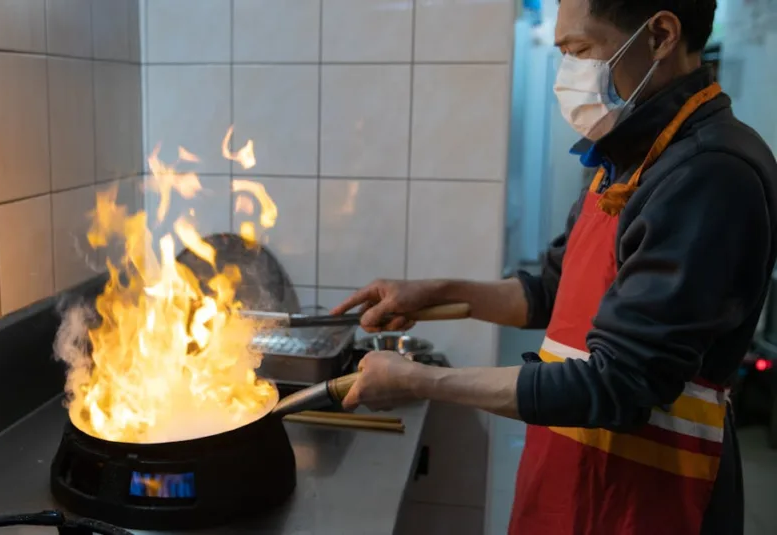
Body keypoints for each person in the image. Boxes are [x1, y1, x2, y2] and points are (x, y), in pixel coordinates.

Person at [331, 1, 777, 533]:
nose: (568, 74)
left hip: (649, 499)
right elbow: (550, 290)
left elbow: (621, 383)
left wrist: (420, 380)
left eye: (579, 51)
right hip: (577, 467)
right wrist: (435, 292)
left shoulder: (708, 173)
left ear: (659, 35)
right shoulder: (633, 153)